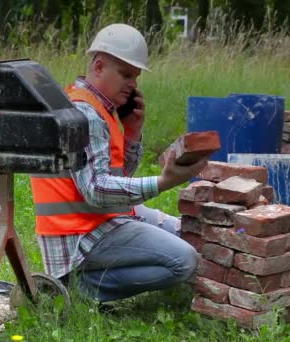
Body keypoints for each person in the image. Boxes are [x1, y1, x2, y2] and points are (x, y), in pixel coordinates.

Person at [30, 23, 208, 303]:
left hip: (100, 219)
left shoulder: (101, 107)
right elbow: (97, 189)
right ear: (99, 67)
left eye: (135, 76)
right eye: (126, 74)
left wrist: (133, 133)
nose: (133, 84)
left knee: (191, 234)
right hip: (79, 235)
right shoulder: (84, 112)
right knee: (184, 260)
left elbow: (118, 177)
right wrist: (163, 182)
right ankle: (78, 289)